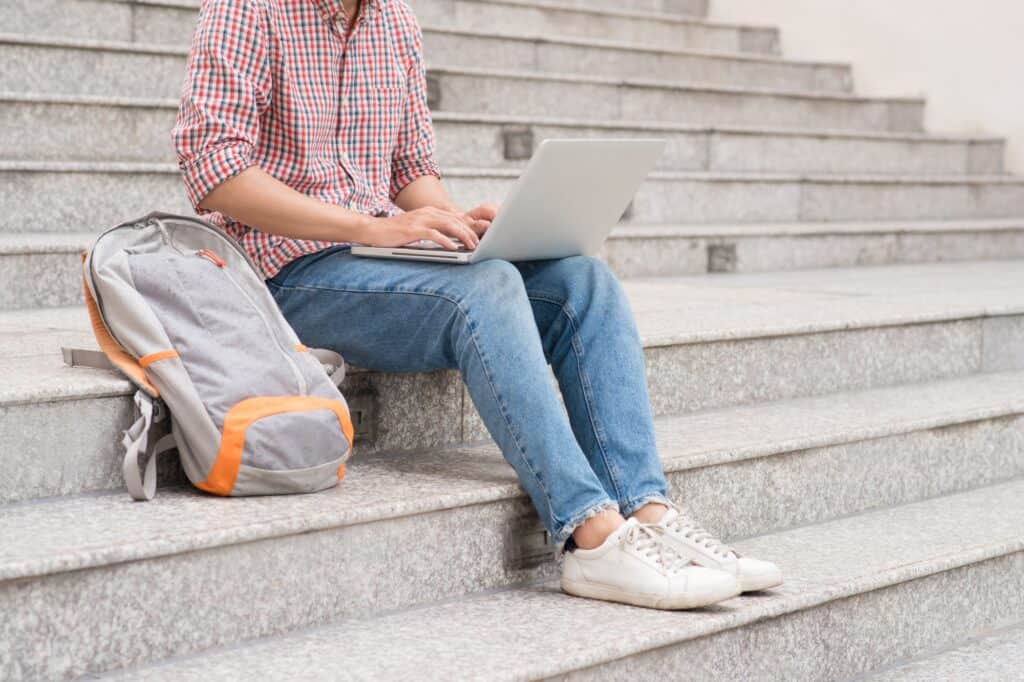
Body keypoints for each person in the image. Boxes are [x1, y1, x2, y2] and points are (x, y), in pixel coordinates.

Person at [173, 0, 782, 609]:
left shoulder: (394, 21)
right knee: (484, 289)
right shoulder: (246, 10)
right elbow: (215, 172)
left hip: (378, 258)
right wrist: (367, 226)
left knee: (582, 284)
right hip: (287, 273)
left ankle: (646, 514)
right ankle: (590, 537)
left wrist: (458, 224)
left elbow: (410, 169)